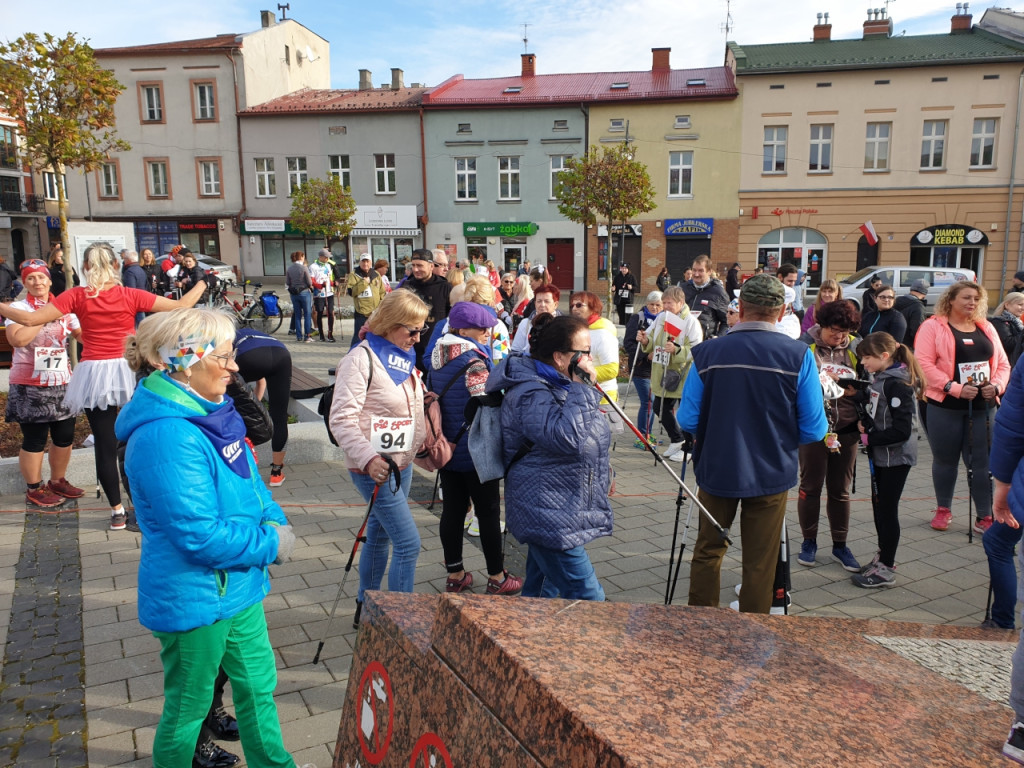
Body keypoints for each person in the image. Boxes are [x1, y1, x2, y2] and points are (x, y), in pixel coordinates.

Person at [115, 308, 298, 768]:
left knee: (258, 688)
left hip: (238, 585)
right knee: (188, 709)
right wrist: (272, 544)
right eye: (222, 357)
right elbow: (197, 535)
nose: (234, 367)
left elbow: (251, 484)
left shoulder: (214, 412)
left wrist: (274, 518)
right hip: (195, 595)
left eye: (232, 355)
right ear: (180, 363)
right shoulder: (167, 436)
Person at [0, 244, 208, 530]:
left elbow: (26, 319)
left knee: (105, 445)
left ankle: (116, 512)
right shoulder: (129, 294)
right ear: (114, 266)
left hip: (93, 373)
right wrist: (202, 282)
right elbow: (181, 306)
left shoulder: (74, 295)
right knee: (137, 439)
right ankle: (142, 505)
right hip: (127, 369)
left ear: (85, 268)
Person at [679, 275, 827, 613]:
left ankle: (698, 625)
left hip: (717, 465)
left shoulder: (707, 353)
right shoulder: (798, 355)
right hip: (772, 469)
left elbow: (687, 419)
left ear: (740, 307)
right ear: (782, 311)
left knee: (707, 551)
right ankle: (752, 632)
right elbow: (814, 428)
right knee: (761, 561)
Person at [486, 313, 611, 599]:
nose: (590, 360)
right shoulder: (531, 393)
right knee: (589, 597)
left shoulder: (559, 383)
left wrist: (604, 472)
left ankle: (529, 639)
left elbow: (585, 434)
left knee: (543, 589)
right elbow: (567, 437)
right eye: (584, 353)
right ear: (559, 357)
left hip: (560, 503)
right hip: (548, 512)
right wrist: (583, 388)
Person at [330, 290, 429, 629]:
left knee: (380, 535)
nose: (417, 338)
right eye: (412, 330)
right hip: (374, 467)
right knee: (408, 543)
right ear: (388, 324)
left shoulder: (402, 355)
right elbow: (341, 418)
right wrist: (369, 457)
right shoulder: (361, 359)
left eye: (422, 331)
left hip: (402, 463)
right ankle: (402, 622)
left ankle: (366, 606)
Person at [431, 302, 523, 596]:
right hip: (475, 450)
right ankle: (497, 576)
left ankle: (455, 574)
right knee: (488, 513)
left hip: (447, 446)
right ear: (461, 329)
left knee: (453, 512)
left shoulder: (437, 355)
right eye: (480, 327)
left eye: (489, 327)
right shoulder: (473, 361)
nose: (487, 332)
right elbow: (492, 403)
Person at [916, 281, 1011, 533]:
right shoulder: (932, 326)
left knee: (982, 463)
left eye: (977, 299)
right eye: (967, 297)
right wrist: (953, 387)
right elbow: (923, 363)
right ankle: (943, 509)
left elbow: (1003, 364)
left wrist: (997, 386)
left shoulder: (987, 327)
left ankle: (984, 515)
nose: (972, 303)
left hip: (983, 406)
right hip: (944, 405)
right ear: (951, 300)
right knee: (945, 460)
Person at [4, 259, 84, 507]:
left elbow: (82, 335)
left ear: (50, 280)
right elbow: (17, 340)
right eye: (31, 278)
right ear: (25, 283)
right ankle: (34, 488)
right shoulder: (17, 307)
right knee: (35, 438)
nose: (37, 282)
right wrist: (42, 315)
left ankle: (58, 480)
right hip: (30, 383)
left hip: (62, 380)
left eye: (41, 277)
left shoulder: (65, 307)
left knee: (65, 435)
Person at [850, 332, 924, 588]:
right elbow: (876, 407)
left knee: (887, 511)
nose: (863, 364)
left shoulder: (898, 384)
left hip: (896, 458)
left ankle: (887, 567)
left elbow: (902, 430)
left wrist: (871, 439)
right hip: (882, 456)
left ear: (884, 356)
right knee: (879, 508)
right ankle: (883, 556)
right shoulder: (880, 378)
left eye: (867, 358)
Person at [796, 299, 864, 572]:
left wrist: (855, 392)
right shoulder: (804, 347)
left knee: (840, 491)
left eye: (844, 332)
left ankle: (840, 545)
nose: (839, 337)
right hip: (814, 429)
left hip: (846, 429)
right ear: (821, 325)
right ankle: (808, 541)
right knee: (810, 487)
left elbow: (871, 385)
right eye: (834, 331)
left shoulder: (857, 348)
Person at [639, 285, 702, 461]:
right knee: (660, 406)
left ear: (681, 303)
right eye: (664, 302)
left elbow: (697, 348)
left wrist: (677, 350)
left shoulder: (690, 321)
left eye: (669, 303)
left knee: (686, 411)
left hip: (683, 373)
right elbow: (652, 338)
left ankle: (689, 447)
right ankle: (677, 439)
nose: (665, 306)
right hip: (663, 371)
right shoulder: (661, 318)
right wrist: (645, 340)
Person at [234, 327, 292, 488]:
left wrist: (251, 410)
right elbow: (261, 381)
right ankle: (276, 473)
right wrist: (256, 407)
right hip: (281, 354)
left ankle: (240, 467)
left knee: (231, 412)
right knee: (279, 415)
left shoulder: (226, 336)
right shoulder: (256, 333)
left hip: (248, 357)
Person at [623, 291, 663, 442]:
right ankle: (642, 436)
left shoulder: (665, 320)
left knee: (653, 402)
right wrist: (645, 355)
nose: (654, 308)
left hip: (658, 368)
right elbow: (628, 344)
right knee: (648, 401)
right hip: (641, 368)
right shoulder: (637, 319)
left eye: (658, 305)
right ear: (646, 304)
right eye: (651, 304)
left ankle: (648, 434)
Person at [402, 249, 452, 370]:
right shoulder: (407, 286)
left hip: (436, 349)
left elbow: (451, 319)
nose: (415, 269)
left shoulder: (445, 287)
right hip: (411, 349)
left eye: (419, 265)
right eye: (413, 265)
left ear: (431, 266)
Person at [569, 291, 619, 401]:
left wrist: (581, 374)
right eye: (572, 305)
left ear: (593, 308)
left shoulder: (603, 334)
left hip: (603, 396)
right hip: (581, 393)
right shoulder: (578, 330)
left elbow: (611, 369)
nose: (574, 309)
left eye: (579, 305)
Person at [681, 255, 729, 338]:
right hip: (682, 343)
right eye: (694, 270)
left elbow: (727, 321)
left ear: (709, 271)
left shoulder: (718, 293)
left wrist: (717, 338)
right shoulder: (683, 288)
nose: (696, 274)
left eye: (700, 271)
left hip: (705, 343)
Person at [345, 253, 385, 346]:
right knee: (358, 337)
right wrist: (364, 283)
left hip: (375, 312)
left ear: (371, 263)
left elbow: (382, 292)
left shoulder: (376, 274)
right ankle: (352, 354)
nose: (365, 264)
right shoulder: (354, 275)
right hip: (362, 313)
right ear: (360, 263)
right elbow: (352, 292)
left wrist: (382, 305)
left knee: (375, 336)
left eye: (367, 261)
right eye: (363, 261)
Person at [510, 284, 560, 355]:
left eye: (546, 301)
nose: (542, 305)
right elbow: (516, 352)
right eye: (539, 301)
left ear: (555, 304)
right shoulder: (526, 323)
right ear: (535, 303)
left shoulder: (563, 324)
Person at [307, 249, 337, 343]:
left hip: (329, 293)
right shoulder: (313, 266)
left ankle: (330, 334)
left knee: (330, 313)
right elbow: (312, 281)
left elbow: (328, 279)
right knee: (319, 313)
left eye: (328, 257)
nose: (328, 259)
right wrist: (320, 286)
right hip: (319, 294)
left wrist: (334, 283)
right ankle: (321, 334)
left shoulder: (328, 266)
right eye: (326, 257)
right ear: (321, 257)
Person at [285, 251, 313, 343]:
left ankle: (298, 336)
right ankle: (307, 336)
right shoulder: (304, 268)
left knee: (297, 315)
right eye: (303, 256)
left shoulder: (289, 268)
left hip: (294, 294)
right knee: (307, 314)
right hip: (304, 292)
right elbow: (309, 282)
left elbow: (288, 283)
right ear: (301, 257)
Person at [990, 291, 1024, 366]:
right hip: (1007, 364)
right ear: (1007, 305)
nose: (1023, 308)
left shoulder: (1018, 322)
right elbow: (1008, 344)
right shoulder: (999, 322)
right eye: (1020, 304)